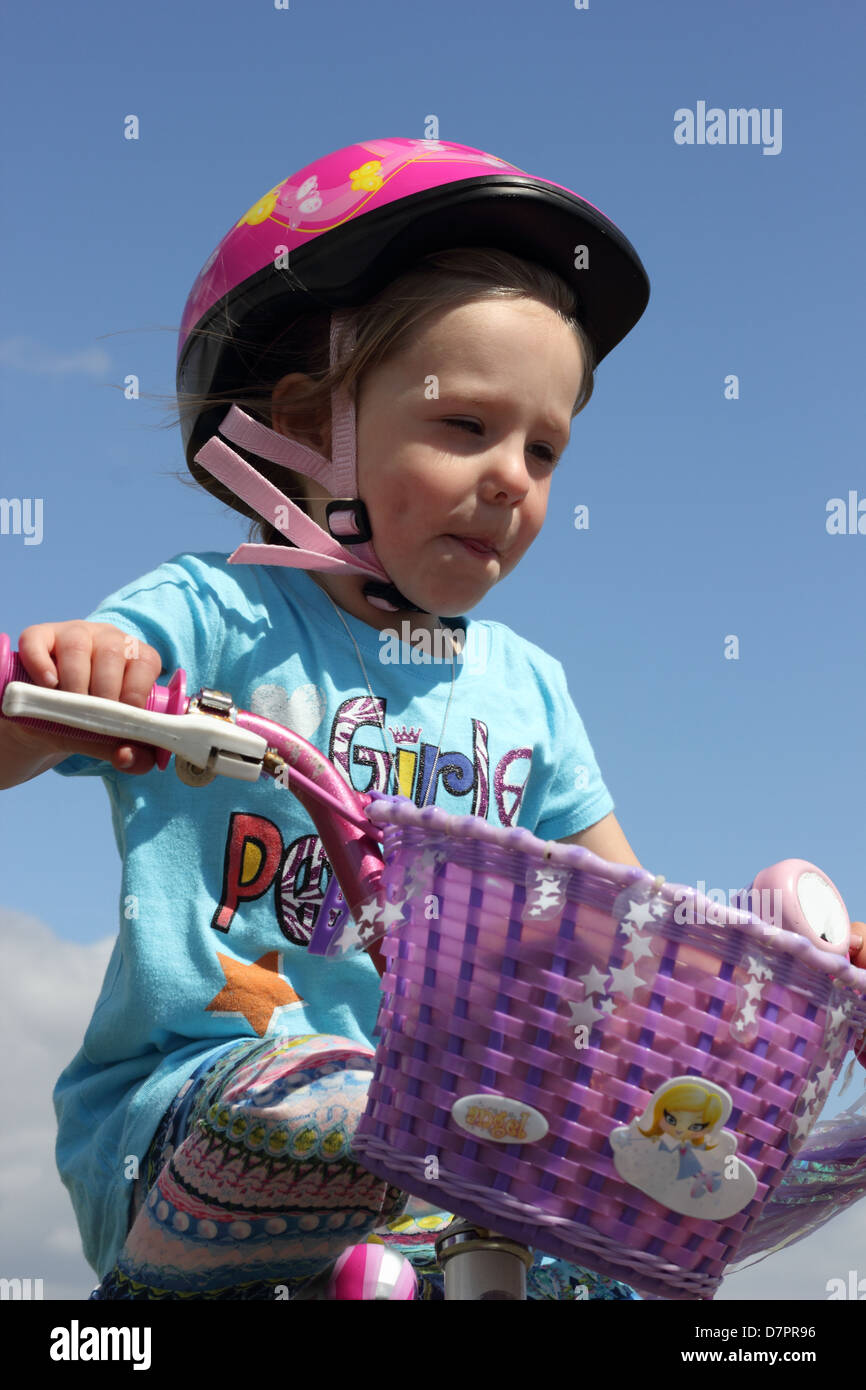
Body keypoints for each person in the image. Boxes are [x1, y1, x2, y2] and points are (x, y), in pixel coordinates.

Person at [1, 136, 861, 1302]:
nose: (512, 475)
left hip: (456, 1149)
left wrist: (761, 970)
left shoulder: (526, 690)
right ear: (309, 425)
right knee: (323, 1106)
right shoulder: (210, 614)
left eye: (542, 448)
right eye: (464, 427)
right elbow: (24, 731)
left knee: (638, 1224)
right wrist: (77, 682)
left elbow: (629, 922)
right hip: (204, 1100)